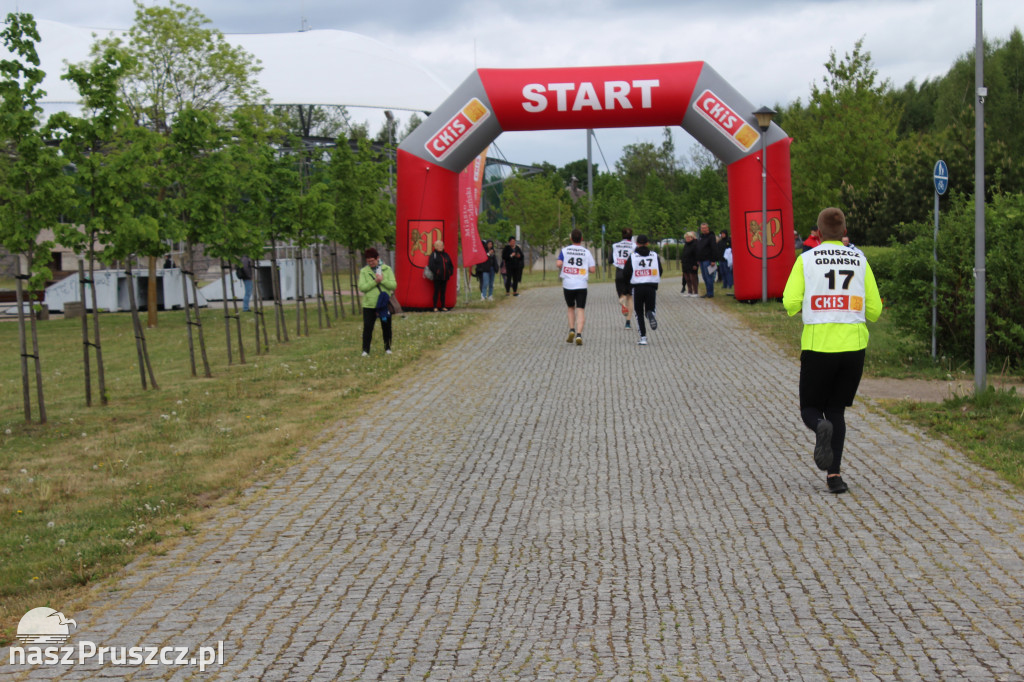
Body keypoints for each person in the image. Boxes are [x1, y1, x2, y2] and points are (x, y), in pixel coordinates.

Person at [783, 207, 882, 494]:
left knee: (810, 409)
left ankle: (819, 427)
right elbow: (874, 310)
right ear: (844, 231)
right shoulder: (860, 259)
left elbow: (790, 303)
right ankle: (834, 477)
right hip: (854, 347)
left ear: (818, 232)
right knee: (836, 410)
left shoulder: (807, 259)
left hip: (819, 345)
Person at [557, 228, 597, 346]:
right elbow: (593, 269)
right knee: (580, 309)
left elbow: (558, 264)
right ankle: (579, 334)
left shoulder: (565, 250)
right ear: (582, 239)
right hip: (581, 284)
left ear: (570, 239)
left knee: (570, 307)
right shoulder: (586, 252)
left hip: (568, 284)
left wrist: (565, 265)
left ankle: (571, 330)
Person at [623, 234, 663, 346]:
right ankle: (650, 314)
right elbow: (660, 269)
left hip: (638, 287)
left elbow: (626, 272)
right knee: (650, 308)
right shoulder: (654, 255)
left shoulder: (633, 256)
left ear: (636, 243)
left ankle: (643, 337)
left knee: (639, 312)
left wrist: (629, 284)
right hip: (651, 286)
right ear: (647, 243)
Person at [358, 247, 396, 356]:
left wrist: (382, 280)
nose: (371, 263)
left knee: (386, 327)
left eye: (372, 261)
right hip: (369, 304)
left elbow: (393, 285)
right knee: (368, 327)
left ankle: (387, 347)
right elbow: (362, 287)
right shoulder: (364, 271)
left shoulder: (387, 269)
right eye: (368, 261)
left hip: (384, 304)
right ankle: (365, 350)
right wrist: (375, 281)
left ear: (378, 258)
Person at [611, 228, 636, 329]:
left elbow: (610, 259)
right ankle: (628, 323)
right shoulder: (634, 246)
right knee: (630, 297)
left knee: (622, 295)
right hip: (630, 273)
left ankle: (622, 303)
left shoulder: (615, 245)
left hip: (619, 272)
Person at [427, 240, 454, 311]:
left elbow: (451, 265)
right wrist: (437, 272)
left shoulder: (446, 255)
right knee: (436, 291)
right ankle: (435, 307)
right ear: (435, 247)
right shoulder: (433, 255)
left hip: (445, 277)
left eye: (441, 245)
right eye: (438, 246)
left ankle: (443, 306)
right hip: (437, 277)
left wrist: (450, 272)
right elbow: (431, 265)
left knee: (443, 292)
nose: (440, 247)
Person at [695, 222, 718, 298]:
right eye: (702, 228)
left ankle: (710, 293)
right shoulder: (701, 237)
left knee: (709, 277)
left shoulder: (711, 237)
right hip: (701, 260)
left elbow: (714, 248)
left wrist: (713, 260)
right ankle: (708, 291)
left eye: (705, 228)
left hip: (708, 260)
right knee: (704, 277)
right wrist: (698, 258)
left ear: (708, 228)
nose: (703, 229)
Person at [680, 231, 699, 296]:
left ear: (692, 238)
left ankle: (696, 292)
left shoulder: (695, 244)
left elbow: (696, 255)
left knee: (693, 278)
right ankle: (689, 291)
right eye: (686, 237)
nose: (687, 239)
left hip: (692, 264)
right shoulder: (686, 244)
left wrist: (695, 264)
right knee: (687, 278)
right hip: (685, 264)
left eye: (689, 237)